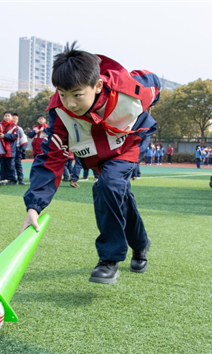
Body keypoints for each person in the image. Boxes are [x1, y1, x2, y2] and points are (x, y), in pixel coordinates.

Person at [20, 43, 160, 284]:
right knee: (118, 194)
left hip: (128, 145)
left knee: (107, 186)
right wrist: (34, 206)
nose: (70, 103)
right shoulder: (58, 112)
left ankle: (109, 259)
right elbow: (51, 159)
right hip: (96, 154)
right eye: (63, 94)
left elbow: (153, 83)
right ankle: (141, 244)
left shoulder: (129, 89)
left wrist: (146, 109)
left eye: (77, 94)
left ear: (97, 86)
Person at [0, 110, 18, 185]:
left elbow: (15, 136)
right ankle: (3, 178)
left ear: (12, 117)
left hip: (10, 149)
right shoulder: (0, 125)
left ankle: (12, 179)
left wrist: (5, 136)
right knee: (2, 164)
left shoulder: (14, 126)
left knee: (10, 166)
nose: (6, 117)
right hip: (1, 148)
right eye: (5, 116)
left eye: (8, 116)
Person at [13, 113, 28, 185]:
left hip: (17, 148)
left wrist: (22, 148)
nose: (14, 120)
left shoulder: (19, 129)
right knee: (10, 164)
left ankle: (20, 178)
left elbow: (23, 139)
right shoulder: (6, 128)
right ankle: (12, 179)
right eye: (13, 118)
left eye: (16, 119)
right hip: (9, 149)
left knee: (18, 164)